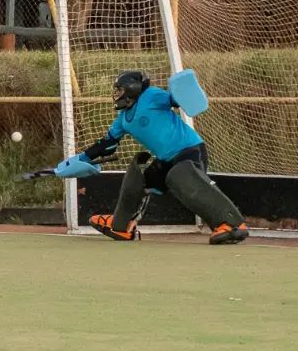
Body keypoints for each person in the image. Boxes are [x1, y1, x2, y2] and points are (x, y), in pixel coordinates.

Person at [80, 70, 249, 245]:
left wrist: (184, 90)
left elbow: (175, 100)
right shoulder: (123, 119)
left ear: (132, 88)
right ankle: (123, 225)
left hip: (189, 150)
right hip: (167, 159)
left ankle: (232, 224)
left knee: (181, 176)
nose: (117, 94)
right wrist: (81, 158)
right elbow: (107, 144)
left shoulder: (151, 95)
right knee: (140, 181)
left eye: (120, 89)